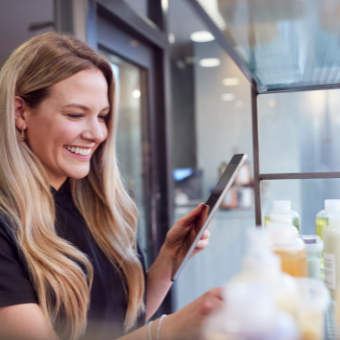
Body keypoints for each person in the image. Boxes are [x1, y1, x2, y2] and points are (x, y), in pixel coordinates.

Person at [0, 32, 223, 340]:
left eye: (102, 116)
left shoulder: (103, 209)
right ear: (20, 112)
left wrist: (167, 261)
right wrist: (167, 330)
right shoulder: (5, 223)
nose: (96, 134)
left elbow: (126, 320)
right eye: (76, 114)